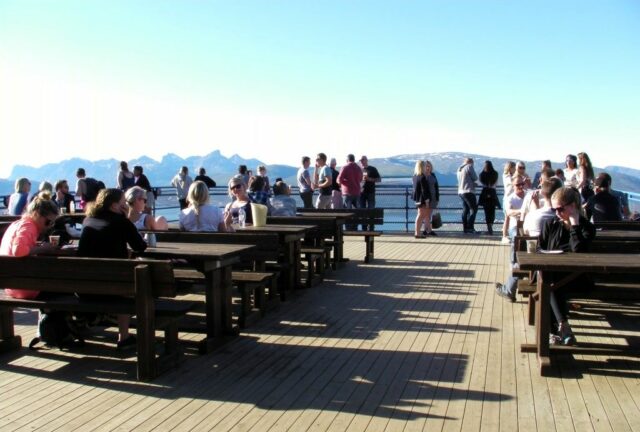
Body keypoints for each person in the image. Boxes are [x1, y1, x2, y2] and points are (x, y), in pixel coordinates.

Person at [77, 188, 147, 349]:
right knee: (130, 284)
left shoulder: (88, 220)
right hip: (114, 286)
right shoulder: (121, 222)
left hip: (84, 286)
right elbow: (140, 246)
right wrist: (126, 218)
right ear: (115, 205)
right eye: (123, 202)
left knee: (119, 278)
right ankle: (124, 336)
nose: (125, 204)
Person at [541, 186, 595, 345]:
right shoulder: (551, 224)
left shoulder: (586, 228)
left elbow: (579, 251)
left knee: (549, 284)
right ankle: (563, 325)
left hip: (578, 278)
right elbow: (541, 248)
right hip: (554, 275)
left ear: (573, 206)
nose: (556, 213)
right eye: (553, 209)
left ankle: (554, 331)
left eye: (560, 208)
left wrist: (574, 224)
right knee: (550, 281)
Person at [495, 178, 562, 302]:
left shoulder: (534, 216)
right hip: (563, 262)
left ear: (543, 193)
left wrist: (534, 205)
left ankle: (509, 290)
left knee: (520, 259)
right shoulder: (567, 216)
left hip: (538, 260)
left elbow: (525, 233)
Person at [1, 196, 60, 299]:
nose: (49, 226)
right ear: (36, 214)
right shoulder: (29, 226)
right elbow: (18, 250)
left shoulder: (17, 224)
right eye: (48, 222)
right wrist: (43, 248)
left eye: (52, 223)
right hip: (26, 287)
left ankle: (48, 312)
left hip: (10, 286)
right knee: (66, 287)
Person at [337, 154, 363, 230]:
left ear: (347, 160)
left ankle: (348, 229)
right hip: (357, 192)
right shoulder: (358, 168)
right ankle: (355, 228)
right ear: (354, 159)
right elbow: (360, 179)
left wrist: (343, 182)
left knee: (347, 212)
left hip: (347, 193)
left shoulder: (345, 167)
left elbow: (339, 180)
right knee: (356, 212)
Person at [359, 155, 381, 230]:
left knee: (371, 210)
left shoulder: (372, 169)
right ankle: (364, 228)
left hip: (370, 192)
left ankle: (371, 227)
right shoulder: (359, 170)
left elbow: (379, 179)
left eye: (363, 160)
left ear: (366, 160)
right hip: (361, 193)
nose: (361, 162)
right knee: (362, 211)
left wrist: (369, 179)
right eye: (360, 160)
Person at [457, 157, 479, 234]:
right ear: (470, 162)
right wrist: (474, 183)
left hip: (461, 191)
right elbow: (475, 177)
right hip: (469, 191)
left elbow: (464, 180)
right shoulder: (469, 167)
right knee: (474, 209)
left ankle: (465, 228)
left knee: (465, 210)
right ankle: (470, 227)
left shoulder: (459, 169)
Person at [478, 161, 500, 235]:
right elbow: (496, 183)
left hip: (484, 193)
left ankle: (489, 226)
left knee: (486, 211)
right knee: (492, 211)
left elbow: (481, 183)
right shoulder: (495, 173)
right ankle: (491, 225)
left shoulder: (481, 174)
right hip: (492, 192)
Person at [412, 161, 430, 238]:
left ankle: (417, 232)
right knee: (420, 215)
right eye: (425, 166)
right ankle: (417, 233)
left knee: (420, 215)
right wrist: (427, 200)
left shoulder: (415, 176)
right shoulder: (422, 177)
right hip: (422, 199)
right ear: (422, 167)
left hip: (417, 198)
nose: (426, 167)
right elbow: (424, 190)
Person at [500, 161, 516, 243]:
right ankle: (504, 236)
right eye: (514, 167)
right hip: (508, 199)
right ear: (511, 168)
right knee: (507, 217)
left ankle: (508, 234)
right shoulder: (507, 176)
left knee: (510, 218)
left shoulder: (509, 175)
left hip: (511, 198)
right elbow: (512, 182)